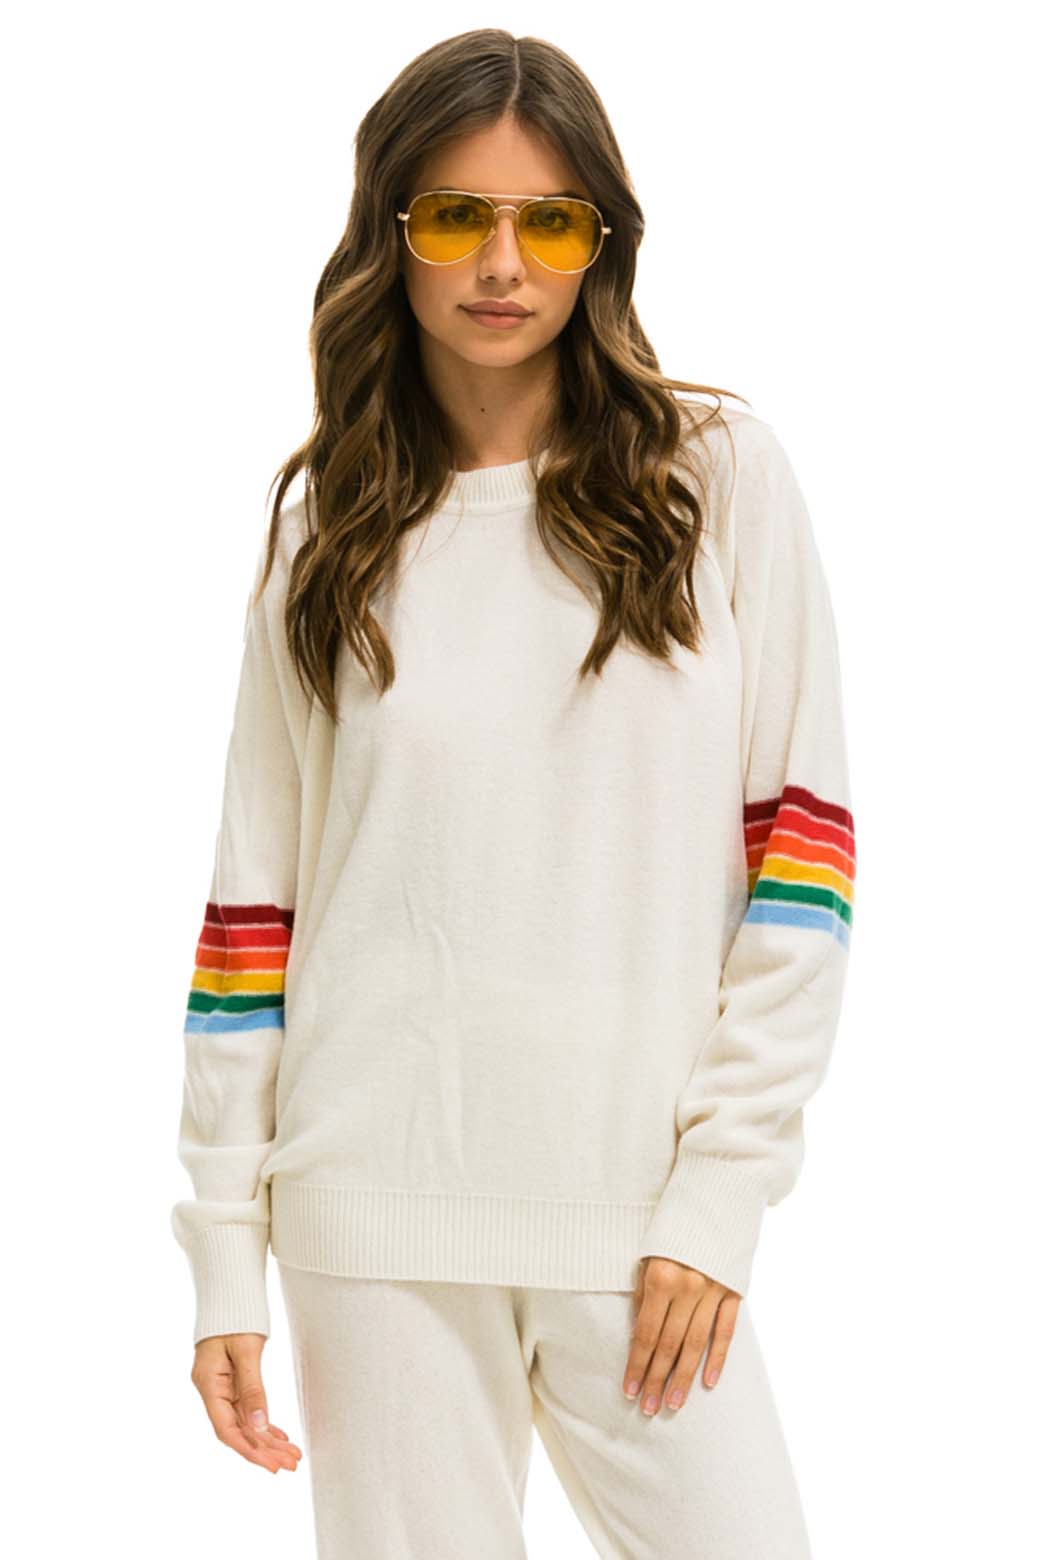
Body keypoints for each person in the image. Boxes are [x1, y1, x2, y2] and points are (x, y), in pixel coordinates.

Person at [171, 27, 856, 1560]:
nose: (501, 263)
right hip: (371, 1212)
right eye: (454, 216)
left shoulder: (717, 481)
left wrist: (719, 1194)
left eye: (547, 220)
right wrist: (222, 1247)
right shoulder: (329, 529)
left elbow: (803, 868)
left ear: (599, 241)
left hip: (640, 1210)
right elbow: (251, 910)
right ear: (391, 233)